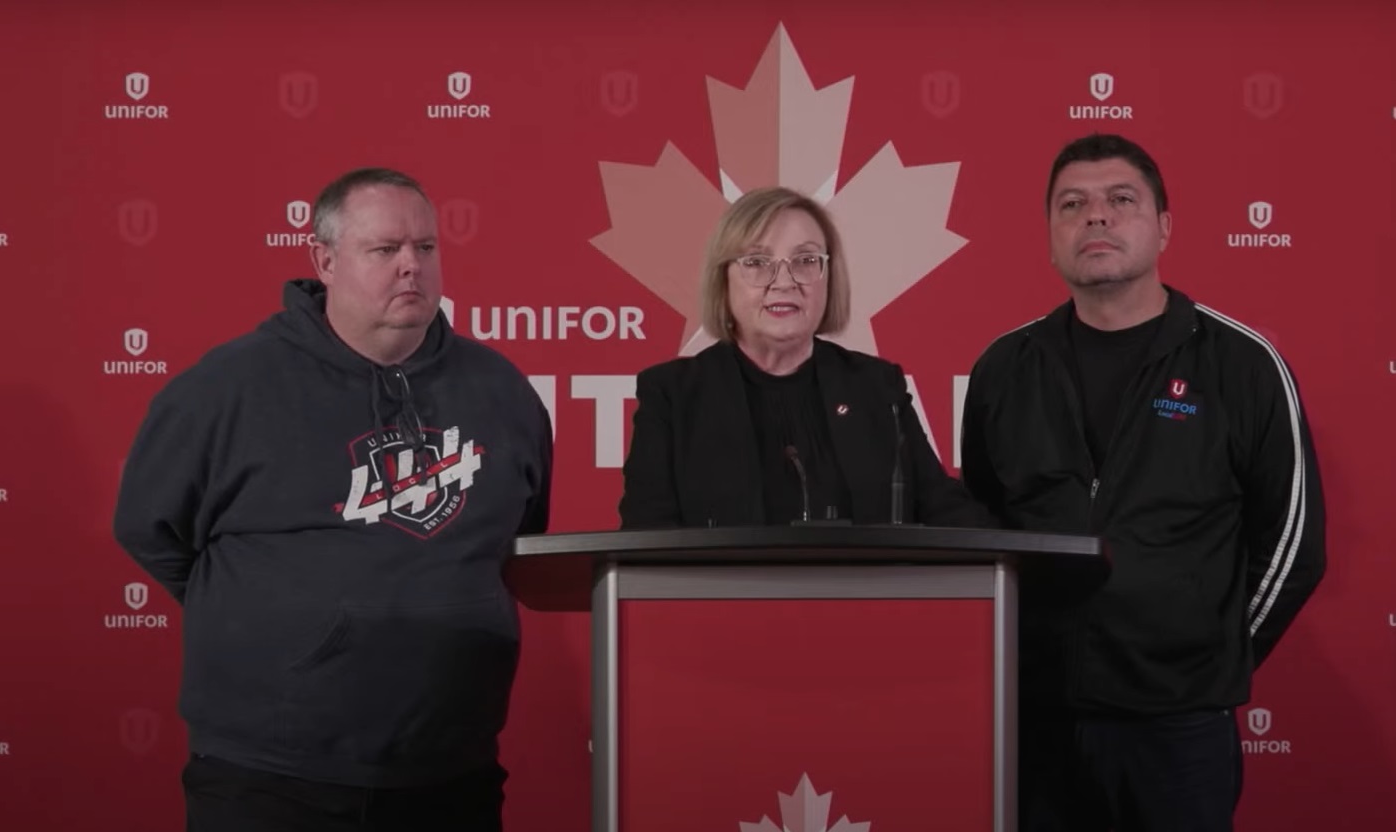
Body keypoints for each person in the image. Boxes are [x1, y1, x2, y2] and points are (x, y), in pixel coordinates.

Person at [112, 167, 553, 831]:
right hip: (269, 776)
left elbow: (520, 533)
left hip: (451, 767)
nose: (410, 266)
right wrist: (280, 625)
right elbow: (150, 528)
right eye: (385, 249)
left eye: (425, 247)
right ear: (324, 261)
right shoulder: (226, 389)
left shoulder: (502, 391)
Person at [959, 134, 1327, 831]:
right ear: (1050, 237)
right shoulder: (1004, 368)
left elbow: (1293, 546)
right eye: (1072, 204)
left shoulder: (1241, 364)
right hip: (1036, 723)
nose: (1095, 216)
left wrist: (1207, 660)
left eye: (1120, 199)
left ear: (1163, 227)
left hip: (1178, 730)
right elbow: (983, 531)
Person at [618, 186, 992, 530]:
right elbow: (645, 541)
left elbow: (946, 512)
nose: (784, 281)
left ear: (828, 277)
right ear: (723, 280)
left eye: (806, 260)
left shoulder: (876, 388)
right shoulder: (673, 395)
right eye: (757, 262)